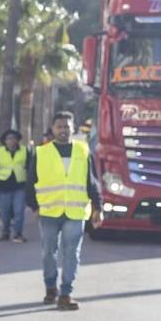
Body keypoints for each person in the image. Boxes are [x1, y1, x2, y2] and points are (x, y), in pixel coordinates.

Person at [28, 109, 99, 309]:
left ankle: (66, 292)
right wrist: (34, 206)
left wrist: (98, 207)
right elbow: (31, 181)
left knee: (72, 253)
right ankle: (51, 287)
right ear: (52, 129)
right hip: (49, 211)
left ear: (73, 128)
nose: (63, 130)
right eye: (59, 126)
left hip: (75, 212)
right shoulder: (41, 152)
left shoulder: (83, 150)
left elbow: (91, 181)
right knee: (48, 252)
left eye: (67, 126)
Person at [0, 127, 29, 241]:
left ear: (17, 140)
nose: (11, 141)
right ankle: (5, 232)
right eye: (8, 139)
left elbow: (29, 165)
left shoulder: (24, 150)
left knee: (19, 211)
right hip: (4, 185)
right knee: (5, 212)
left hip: (20, 185)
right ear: (5, 141)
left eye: (13, 138)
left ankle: (18, 233)